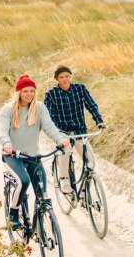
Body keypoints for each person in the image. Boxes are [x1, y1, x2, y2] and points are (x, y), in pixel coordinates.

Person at [0, 74, 69, 230]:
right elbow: (3, 132)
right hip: (12, 156)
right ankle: (14, 214)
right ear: (19, 93)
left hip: (33, 157)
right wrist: (7, 144)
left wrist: (60, 139)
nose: (29, 94)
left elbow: (49, 127)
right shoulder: (8, 110)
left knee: (43, 194)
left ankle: (41, 223)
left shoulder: (40, 108)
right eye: (25, 91)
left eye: (32, 91)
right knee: (24, 181)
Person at [44, 65, 105, 193]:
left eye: (67, 76)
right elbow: (50, 115)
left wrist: (99, 120)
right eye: (61, 77)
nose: (65, 79)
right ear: (57, 79)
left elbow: (91, 105)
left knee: (90, 161)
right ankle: (64, 178)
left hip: (79, 131)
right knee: (65, 151)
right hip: (62, 132)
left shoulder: (80, 89)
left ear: (70, 76)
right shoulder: (51, 94)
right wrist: (58, 134)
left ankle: (84, 188)